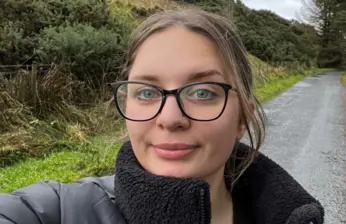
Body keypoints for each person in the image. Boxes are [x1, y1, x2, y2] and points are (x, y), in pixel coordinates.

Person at [0, 8, 324, 224]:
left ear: (243, 117)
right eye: (146, 92)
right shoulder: (60, 210)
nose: (170, 119)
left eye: (202, 92)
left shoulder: (291, 215)